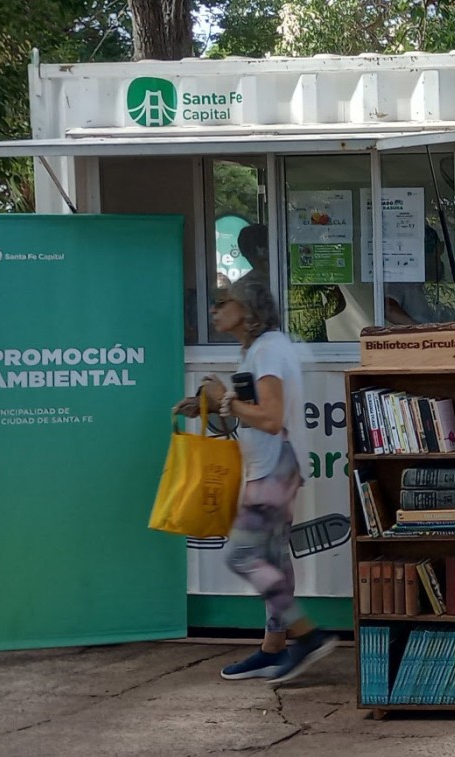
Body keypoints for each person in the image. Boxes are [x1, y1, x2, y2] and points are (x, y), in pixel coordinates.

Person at [173, 279, 337, 684]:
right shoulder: (258, 349)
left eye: (222, 302)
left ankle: (307, 635)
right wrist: (209, 405)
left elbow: (271, 418)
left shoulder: (267, 350)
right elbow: (256, 411)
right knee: (274, 558)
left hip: (274, 467)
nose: (213, 310)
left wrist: (225, 399)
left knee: (241, 555)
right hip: (274, 464)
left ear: (247, 309)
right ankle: (273, 648)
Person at [233, 223, 346, 342]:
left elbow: (337, 301)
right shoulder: (246, 285)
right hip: (275, 347)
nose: (256, 262)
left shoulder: (303, 268)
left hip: (314, 345)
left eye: (253, 256)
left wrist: (310, 319)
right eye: (250, 256)